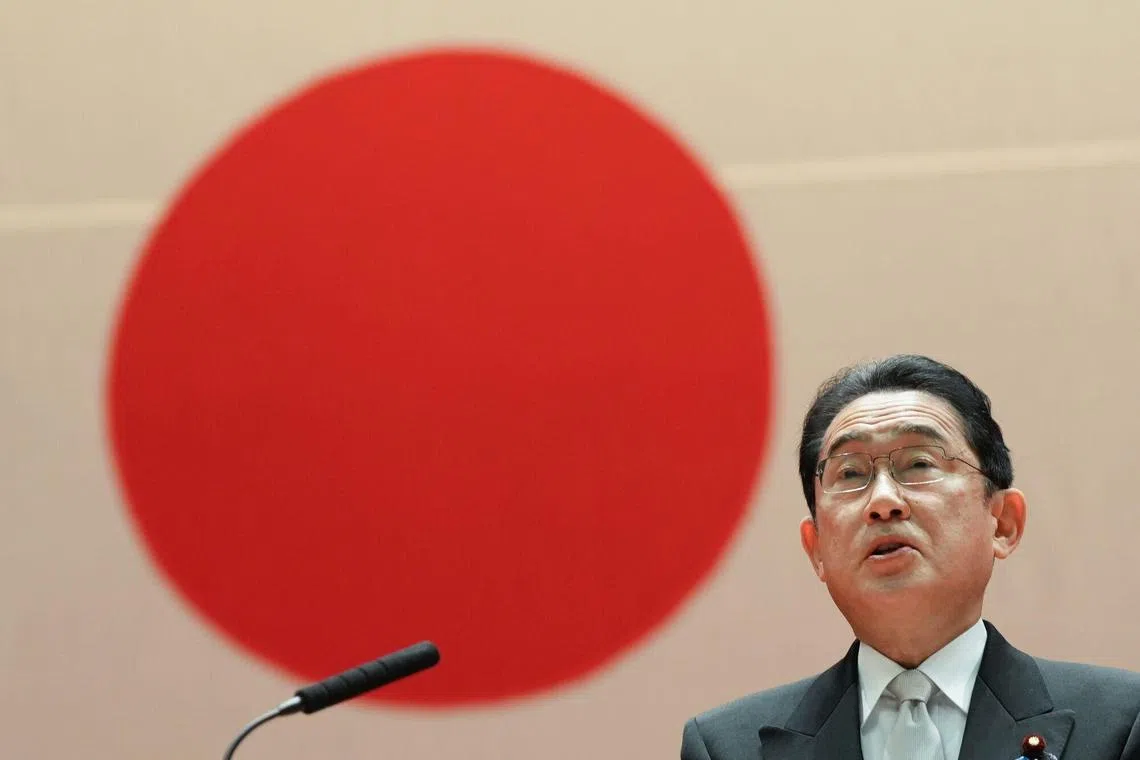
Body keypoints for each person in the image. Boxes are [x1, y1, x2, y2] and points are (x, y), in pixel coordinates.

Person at [680, 354, 1140, 760]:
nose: (883, 501)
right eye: (851, 472)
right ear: (816, 549)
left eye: (919, 463)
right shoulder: (728, 747)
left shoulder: (1120, 724)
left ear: (1003, 523)